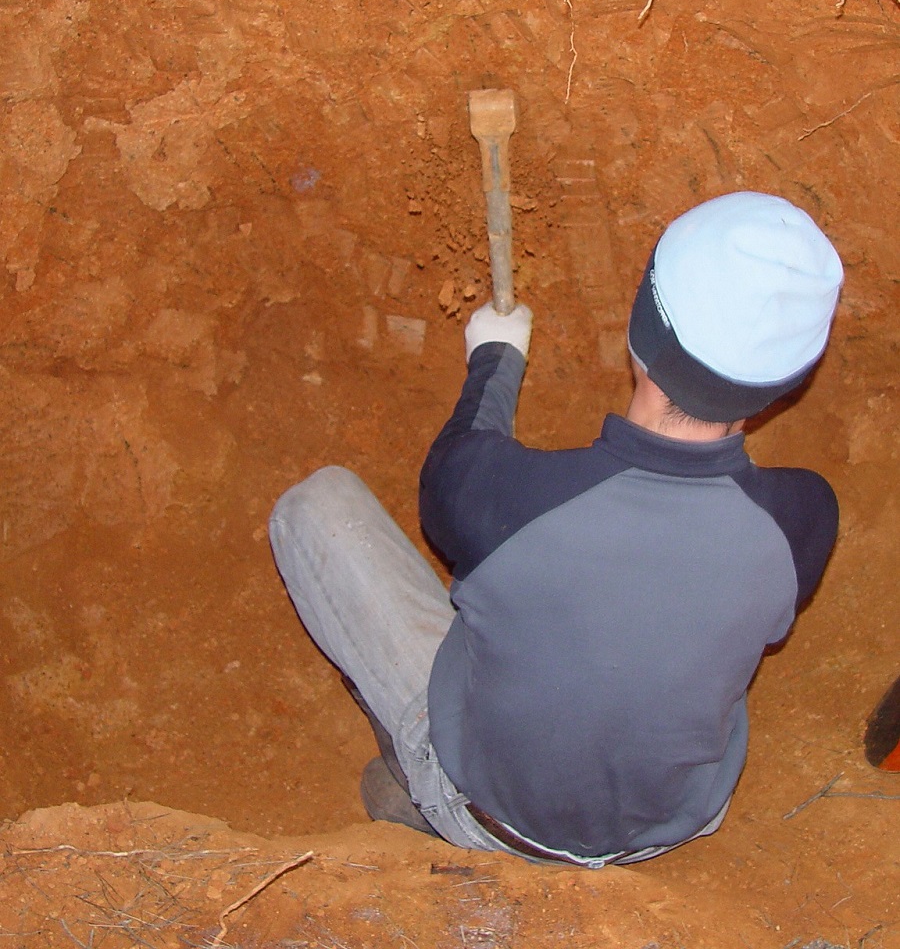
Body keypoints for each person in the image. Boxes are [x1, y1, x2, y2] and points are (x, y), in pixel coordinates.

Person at [269, 190, 844, 866]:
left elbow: (454, 467)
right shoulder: (803, 517)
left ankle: (432, 793)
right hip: (669, 828)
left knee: (316, 506)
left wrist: (495, 356)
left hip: (495, 815)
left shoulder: (512, 499)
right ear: (787, 379)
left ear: (642, 329)